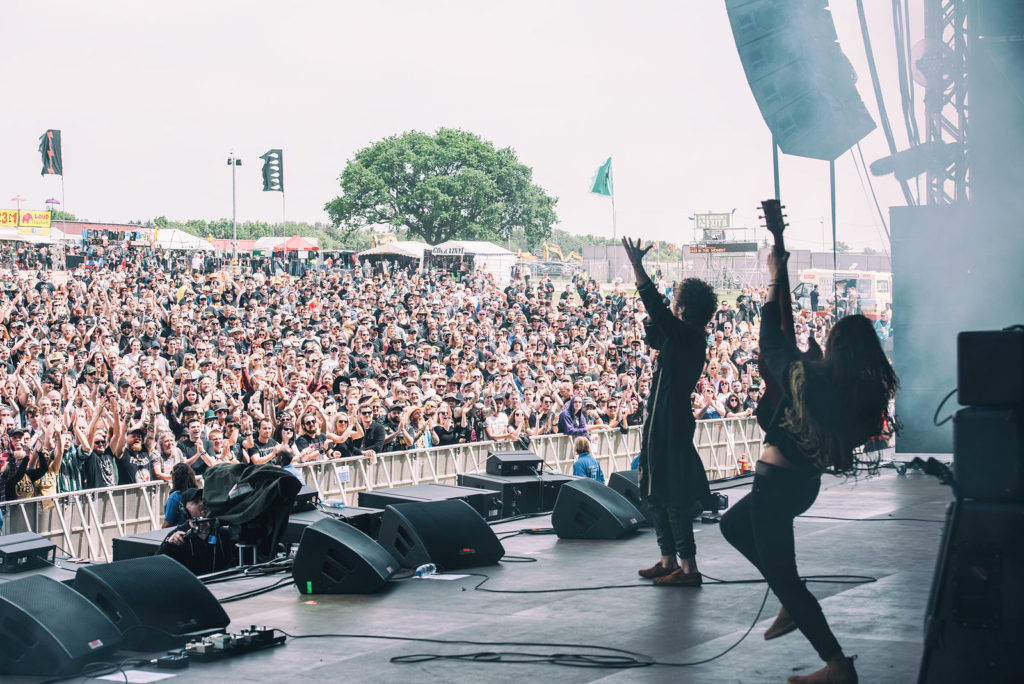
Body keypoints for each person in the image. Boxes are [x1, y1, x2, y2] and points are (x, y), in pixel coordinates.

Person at [720, 249, 898, 684]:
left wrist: (774, 279)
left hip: (775, 486)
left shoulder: (807, 377)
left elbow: (770, 343)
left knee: (787, 576)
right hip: (802, 486)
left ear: (836, 347)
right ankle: (788, 597)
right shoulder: (863, 396)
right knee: (731, 526)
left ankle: (836, 664)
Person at [622, 237, 717, 588]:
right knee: (653, 491)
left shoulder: (691, 339)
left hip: (671, 424)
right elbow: (654, 332)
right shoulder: (679, 338)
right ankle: (667, 560)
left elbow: (658, 312)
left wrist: (638, 268)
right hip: (658, 422)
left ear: (684, 310)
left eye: (677, 303)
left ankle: (688, 568)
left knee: (672, 495)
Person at [158, 487, 236, 575]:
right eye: (195, 502)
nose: (201, 504)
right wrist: (169, 545)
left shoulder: (222, 533)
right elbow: (158, 565)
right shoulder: (178, 536)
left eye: (203, 500)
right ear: (184, 511)